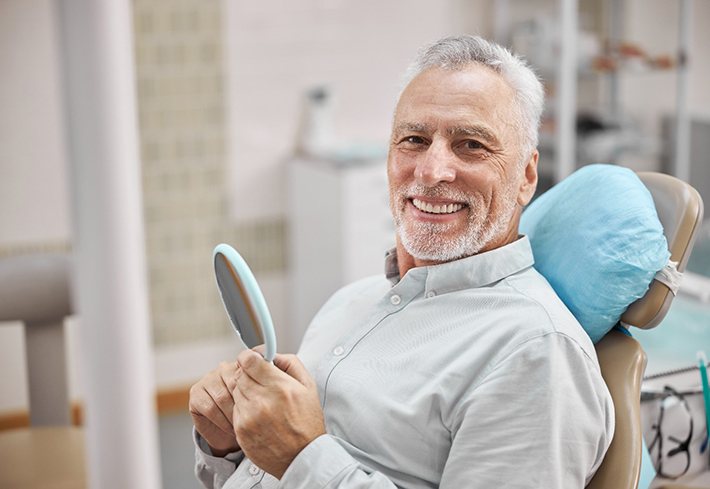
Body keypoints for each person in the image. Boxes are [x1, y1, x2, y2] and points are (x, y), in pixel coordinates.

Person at [189, 35, 615, 489]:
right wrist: (229, 447)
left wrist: (303, 458)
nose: (431, 171)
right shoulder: (349, 302)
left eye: (470, 145)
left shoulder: (535, 353)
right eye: (413, 139)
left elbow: (298, 462)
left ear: (527, 175)